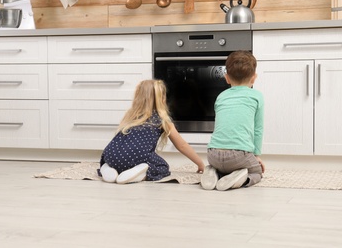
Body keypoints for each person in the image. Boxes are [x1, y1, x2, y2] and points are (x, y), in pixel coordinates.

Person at [99, 79, 205, 184]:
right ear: (161, 99)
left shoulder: (130, 115)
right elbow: (181, 145)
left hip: (110, 153)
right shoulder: (162, 120)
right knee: (163, 167)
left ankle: (107, 168)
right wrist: (200, 163)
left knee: (117, 161)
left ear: (138, 97)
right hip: (137, 156)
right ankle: (139, 173)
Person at [200, 50, 265, 191]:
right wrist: (256, 157)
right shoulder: (257, 96)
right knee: (257, 172)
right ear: (254, 78)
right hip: (239, 155)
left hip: (213, 155)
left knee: (223, 165)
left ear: (226, 78)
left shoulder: (221, 96)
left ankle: (213, 170)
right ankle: (241, 177)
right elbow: (258, 129)